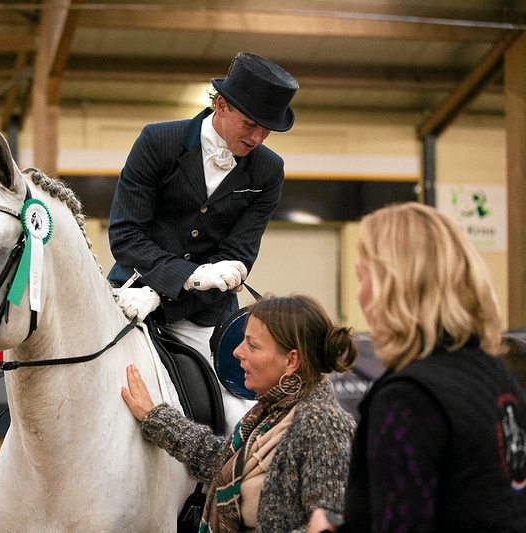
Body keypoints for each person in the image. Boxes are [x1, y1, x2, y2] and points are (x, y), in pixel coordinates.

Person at [308, 202, 526, 533]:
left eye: (362, 277)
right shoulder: (496, 376)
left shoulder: (410, 399)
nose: (360, 293)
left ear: (392, 285)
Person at [108, 51, 299, 422]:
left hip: (204, 314)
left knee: (233, 420)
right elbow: (127, 234)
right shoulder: (157, 141)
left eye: (267, 130)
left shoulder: (268, 171)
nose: (258, 138)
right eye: (250, 125)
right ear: (221, 105)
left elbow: (238, 254)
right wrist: (187, 277)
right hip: (129, 293)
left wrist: (165, 298)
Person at [122, 294, 358, 532]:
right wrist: (155, 417)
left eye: (252, 345)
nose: (237, 352)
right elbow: (219, 460)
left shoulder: (325, 425)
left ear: (291, 361)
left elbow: (328, 525)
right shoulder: (271, 411)